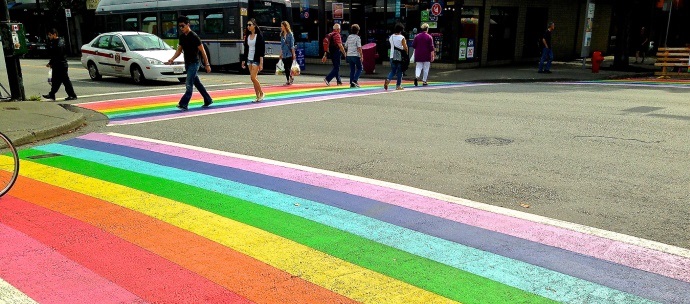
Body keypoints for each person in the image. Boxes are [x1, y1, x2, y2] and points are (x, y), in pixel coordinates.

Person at [167, 15, 213, 110]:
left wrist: (207, 64)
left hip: (194, 63)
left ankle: (183, 103)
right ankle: (208, 99)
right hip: (187, 63)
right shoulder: (182, 37)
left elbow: (202, 51)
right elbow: (179, 50)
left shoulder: (194, 36)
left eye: (183, 26)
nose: (181, 28)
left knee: (188, 83)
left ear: (188, 24)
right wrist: (172, 59)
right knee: (197, 84)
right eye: (179, 26)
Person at [43, 28, 77, 101]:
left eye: (50, 35)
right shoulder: (53, 42)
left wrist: (50, 63)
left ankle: (72, 95)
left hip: (61, 65)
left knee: (65, 81)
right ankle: (52, 94)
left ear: (54, 34)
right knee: (55, 81)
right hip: (57, 65)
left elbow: (58, 54)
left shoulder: (59, 42)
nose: (49, 37)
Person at [242, 18, 265, 102]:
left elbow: (262, 49)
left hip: (256, 59)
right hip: (249, 59)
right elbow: (246, 49)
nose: (248, 26)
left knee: (253, 77)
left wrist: (261, 62)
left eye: (250, 25)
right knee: (253, 78)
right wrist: (243, 60)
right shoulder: (247, 36)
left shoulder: (259, 36)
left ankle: (262, 93)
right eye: (247, 25)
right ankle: (257, 96)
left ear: (254, 25)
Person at [385, 23, 408, 90]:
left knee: (393, 70)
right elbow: (405, 48)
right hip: (400, 57)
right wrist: (406, 54)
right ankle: (398, 86)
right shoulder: (402, 37)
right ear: (401, 30)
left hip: (392, 56)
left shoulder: (391, 37)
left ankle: (388, 80)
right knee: (400, 71)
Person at [344, 24, 363, 88]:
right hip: (355, 55)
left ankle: (351, 83)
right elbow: (359, 48)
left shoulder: (349, 37)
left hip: (349, 55)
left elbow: (345, 46)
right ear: (357, 31)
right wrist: (361, 55)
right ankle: (355, 80)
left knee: (352, 69)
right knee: (360, 68)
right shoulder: (357, 38)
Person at [279, 21, 296, 85]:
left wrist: (293, 54)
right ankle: (288, 80)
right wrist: (280, 53)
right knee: (286, 67)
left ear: (285, 26)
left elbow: (292, 45)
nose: (281, 27)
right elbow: (281, 45)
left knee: (289, 67)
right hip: (284, 53)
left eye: (282, 26)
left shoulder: (290, 34)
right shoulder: (282, 35)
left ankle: (290, 78)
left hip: (289, 53)